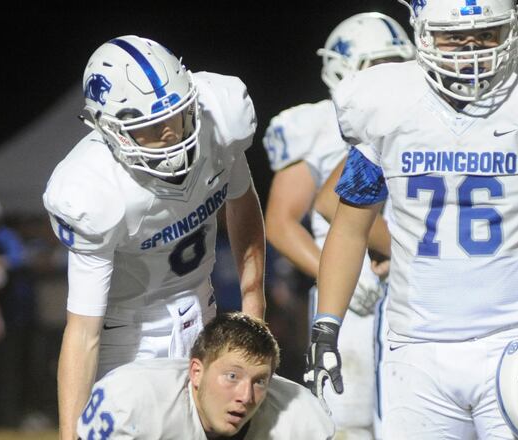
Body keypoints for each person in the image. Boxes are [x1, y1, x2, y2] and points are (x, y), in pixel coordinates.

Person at [305, 0, 518, 438]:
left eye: (486, 33)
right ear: (422, 32)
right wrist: (327, 324)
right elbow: (350, 226)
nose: (471, 48)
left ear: (510, 30)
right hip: (417, 348)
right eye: (454, 35)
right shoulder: (387, 103)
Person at [42, 35, 266, 440]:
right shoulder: (92, 188)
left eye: (177, 117)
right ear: (109, 131)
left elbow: (242, 202)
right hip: (128, 335)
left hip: (202, 313)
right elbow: (83, 332)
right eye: (150, 127)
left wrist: (254, 301)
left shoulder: (220, 121)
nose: (169, 135)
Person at [262, 12, 414, 439]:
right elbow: (280, 223)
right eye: (377, 64)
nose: (390, 76)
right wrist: (331, 272)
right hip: (347, 289)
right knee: (347, 422)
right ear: (342, 69)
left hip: (406, 282)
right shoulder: (313, 124)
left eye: (397, 63)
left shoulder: (415, 117)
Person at [77, 312, 334, 439]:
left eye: (259, 381)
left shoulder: (299, 418)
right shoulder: (132, 399)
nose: (245, 396)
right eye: (232, 376)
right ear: (196, 372)